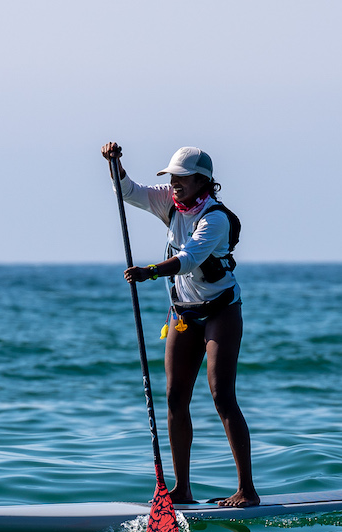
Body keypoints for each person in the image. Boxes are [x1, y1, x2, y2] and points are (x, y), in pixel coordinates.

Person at [102, 142, 259, 508]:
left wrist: (150, 271)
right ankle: (182, 489)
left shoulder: (215, 218)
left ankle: (247, 490)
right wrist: (116, 162)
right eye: (172, 178)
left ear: (203, 181)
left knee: (222, 396)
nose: (174, 184)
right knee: (175, 399)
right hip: (183, 314)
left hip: (221, 311)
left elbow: (188, 260)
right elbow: (127, 191)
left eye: (182, 179)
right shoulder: (168, 203)